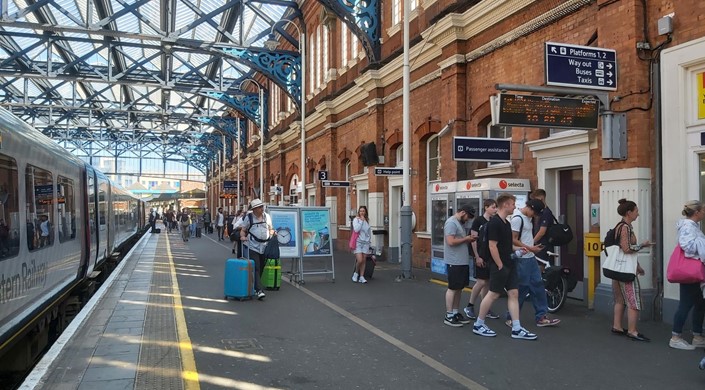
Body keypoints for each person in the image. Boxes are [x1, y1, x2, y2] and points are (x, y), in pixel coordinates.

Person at [472, 193, 537, 340]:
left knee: (514, 293)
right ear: (506, 205)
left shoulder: (507, 223)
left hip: (509, 263)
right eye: (513, 204)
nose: (515, 207)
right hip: (500, 265)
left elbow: (507, 246)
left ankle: (516, 327)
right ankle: (479, 324)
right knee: (493, 294)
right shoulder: (495, 223)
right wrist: (500, 264)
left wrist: (518, 250)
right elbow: (492, 245)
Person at [509, 199, 560, 327]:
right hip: (522, 258)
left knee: (538, 286)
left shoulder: (528, 219)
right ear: (529, 208)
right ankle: (512, 317)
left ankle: (541, 316)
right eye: (535, 213)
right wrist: (530, 247)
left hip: (530, 257)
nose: (535, 216)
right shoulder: (517, 219)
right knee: (521, 288)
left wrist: (532, 247)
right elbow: (513, 239)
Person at [610, 198, 653, 341]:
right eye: (636, 211)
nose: (638, 214)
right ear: (629, 212)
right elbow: (627, 248)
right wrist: (642, 245)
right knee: (634, 299)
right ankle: (633, 331)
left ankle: (617, 326)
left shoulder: (619, 226)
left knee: (620, 298)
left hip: (617, 267)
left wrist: (638, 265)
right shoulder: (625, 228)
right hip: (625, 271)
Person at [668, 200, 705, 350]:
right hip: (690, 272)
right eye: (703, 210)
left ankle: (697, 336)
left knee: (700, 304)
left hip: (693, 272)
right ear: (696, 212)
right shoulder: (688, 227)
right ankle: (675, 337)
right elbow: (687, 246)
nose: (704, 212)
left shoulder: (691, 226)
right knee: (686, 303)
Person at [465, 199, 500, 320]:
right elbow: (473, 239)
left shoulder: (494, 221)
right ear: (486, 207)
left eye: (496, 207)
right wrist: (477, 256)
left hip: (490, 255)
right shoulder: (479, 220)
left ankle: (486, 308)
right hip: (480, 254)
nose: (495, 210)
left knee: (487, 282)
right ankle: (470, 305)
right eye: (493, 207)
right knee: (481, 282)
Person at [442, 204, 476, 327]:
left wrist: (467, 239)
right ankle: (449, 314)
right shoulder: (451, 223)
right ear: (462, 212)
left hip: (461, 261)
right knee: (452, 288)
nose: (467, 219)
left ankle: (455, 312)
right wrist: (466, 239)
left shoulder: (459, 223)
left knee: (459, 288)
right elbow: (450, 241)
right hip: (454, 261)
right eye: (467, 217)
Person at [236, 199, 272, 300]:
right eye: (260, 207)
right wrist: (242, 237)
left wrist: (273, 233)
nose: (262, 208)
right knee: (256, 267)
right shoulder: (249, 218)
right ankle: (259, 290)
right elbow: (243, 230)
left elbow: (270, 228)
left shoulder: (267, 216)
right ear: (255, 209)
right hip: (253, 246)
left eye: (262, 206)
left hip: (265, 246)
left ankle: (255, 285)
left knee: (261, 267)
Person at [531, 189, 556, 266]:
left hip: (543, 245)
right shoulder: (540, 212)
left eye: (536, 200)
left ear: (541, 198)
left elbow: (542, 231)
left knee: (540, 267)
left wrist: (531, 242)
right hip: (539, 244)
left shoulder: (546, 213)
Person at [352, 206, 373, 284]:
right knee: (360, 260)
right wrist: (361, 221)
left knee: (364, 260)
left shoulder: (367, 221)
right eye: (360, 211)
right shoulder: (356, 220)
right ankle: (356, 273)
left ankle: (361, 276)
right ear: (358, 212)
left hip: (366, 243)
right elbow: (356, 229)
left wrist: (369, 241)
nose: (362, 213)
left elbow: (368, 232)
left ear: (365, 212)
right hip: (358, 242)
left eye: (363, 211)